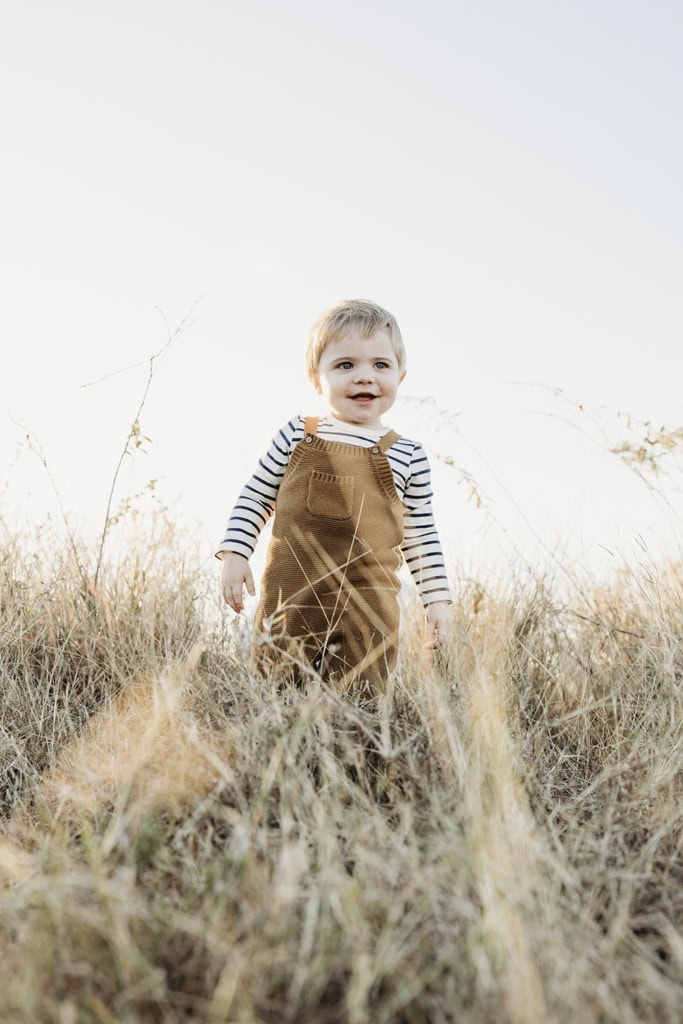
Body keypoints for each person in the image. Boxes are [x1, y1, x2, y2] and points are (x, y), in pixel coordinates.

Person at [217, 298, 452, 688]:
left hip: (369, 615)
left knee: (361, 708)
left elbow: (421, 537)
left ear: (401, 377)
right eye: (345, 365)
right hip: (289, 604)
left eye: (380, 365)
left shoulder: (409, 456)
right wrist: (235, 552)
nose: (364, 377)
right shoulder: (297, 434)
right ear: (316, 378)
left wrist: (437, 601)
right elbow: (256, 496)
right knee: (276, 694)